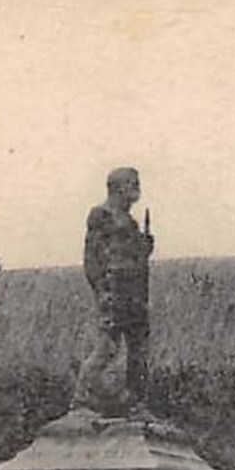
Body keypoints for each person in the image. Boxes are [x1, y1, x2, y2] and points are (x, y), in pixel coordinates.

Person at [74, 167, 156, 415]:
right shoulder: (102, 215)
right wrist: (101, 289)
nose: (137, 188)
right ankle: (83, 393)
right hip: (115, 288)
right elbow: (92, 257)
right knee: (108, 346)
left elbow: (133, 257)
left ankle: (134, 400)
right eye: (133, 183)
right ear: (119, 186)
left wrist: (144, 248)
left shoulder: (130, 222)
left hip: (135, 292)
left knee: (138, 347)